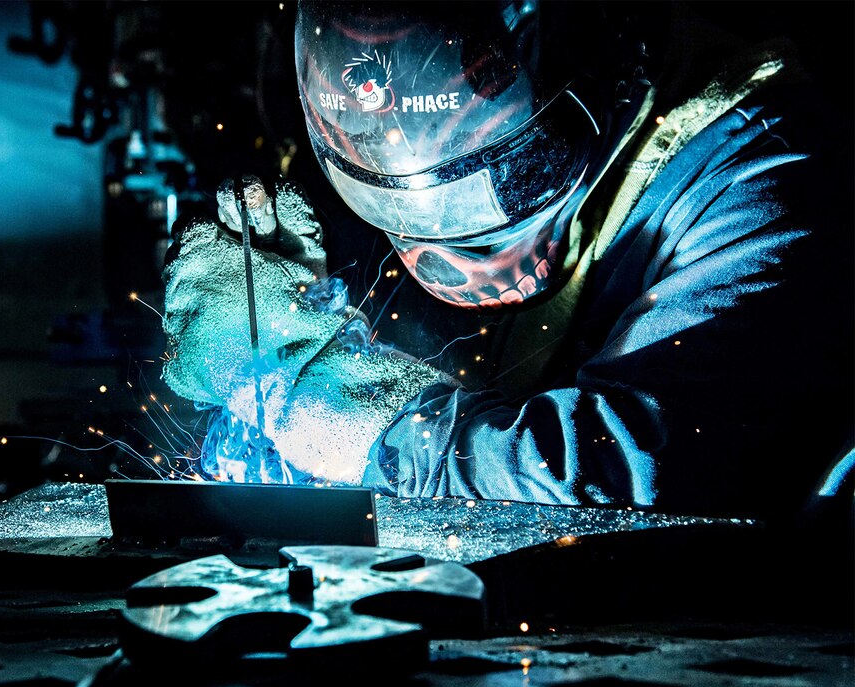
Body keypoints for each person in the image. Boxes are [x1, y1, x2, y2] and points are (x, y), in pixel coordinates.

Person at [161, 1, 853, 521]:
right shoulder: (412, 137)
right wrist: (274, 305)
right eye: (407, 210)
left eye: (498, 172)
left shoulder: (773, 178)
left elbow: (633, 476)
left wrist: (375, 419)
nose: (445, 236)